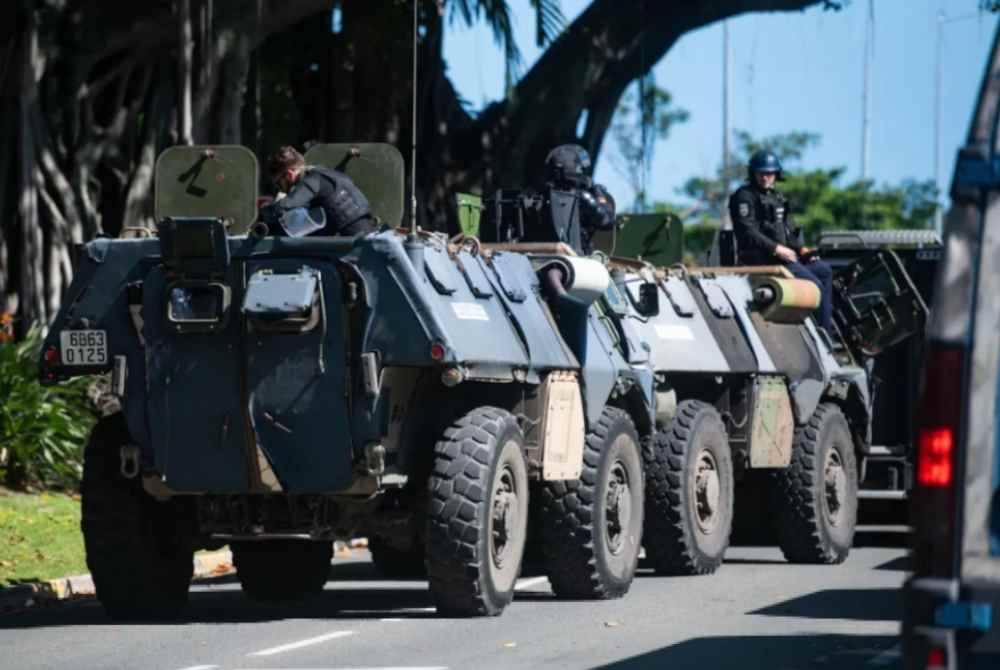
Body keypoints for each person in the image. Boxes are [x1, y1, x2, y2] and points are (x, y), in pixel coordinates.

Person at [728, 150, 833, 332]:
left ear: (776, 174)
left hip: (784, 258)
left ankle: (826, 327)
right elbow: (747, 231)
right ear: (753, 173)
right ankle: (823, 338)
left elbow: (789, 230)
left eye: (769, 173)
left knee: (824, 271)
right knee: (815, 287)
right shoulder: (744, 196)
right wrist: (776, 248)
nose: (765, 177)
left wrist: (803, 250)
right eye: (761, 173)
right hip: (763, 260)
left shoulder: (777, 198)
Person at [260, 146, 376, 237]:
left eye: (279, 183)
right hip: (366, 234)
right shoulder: (328, 174)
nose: (281, 189)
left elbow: (285, 206)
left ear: (289, 174)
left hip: (351, 244)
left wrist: (262, 214)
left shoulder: (312, 180)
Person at [544, 144, 616, 254]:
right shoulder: (580, 198)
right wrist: (598, 193)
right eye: (581, 170)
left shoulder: (540, 194)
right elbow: (606, 221)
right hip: (575, 256)